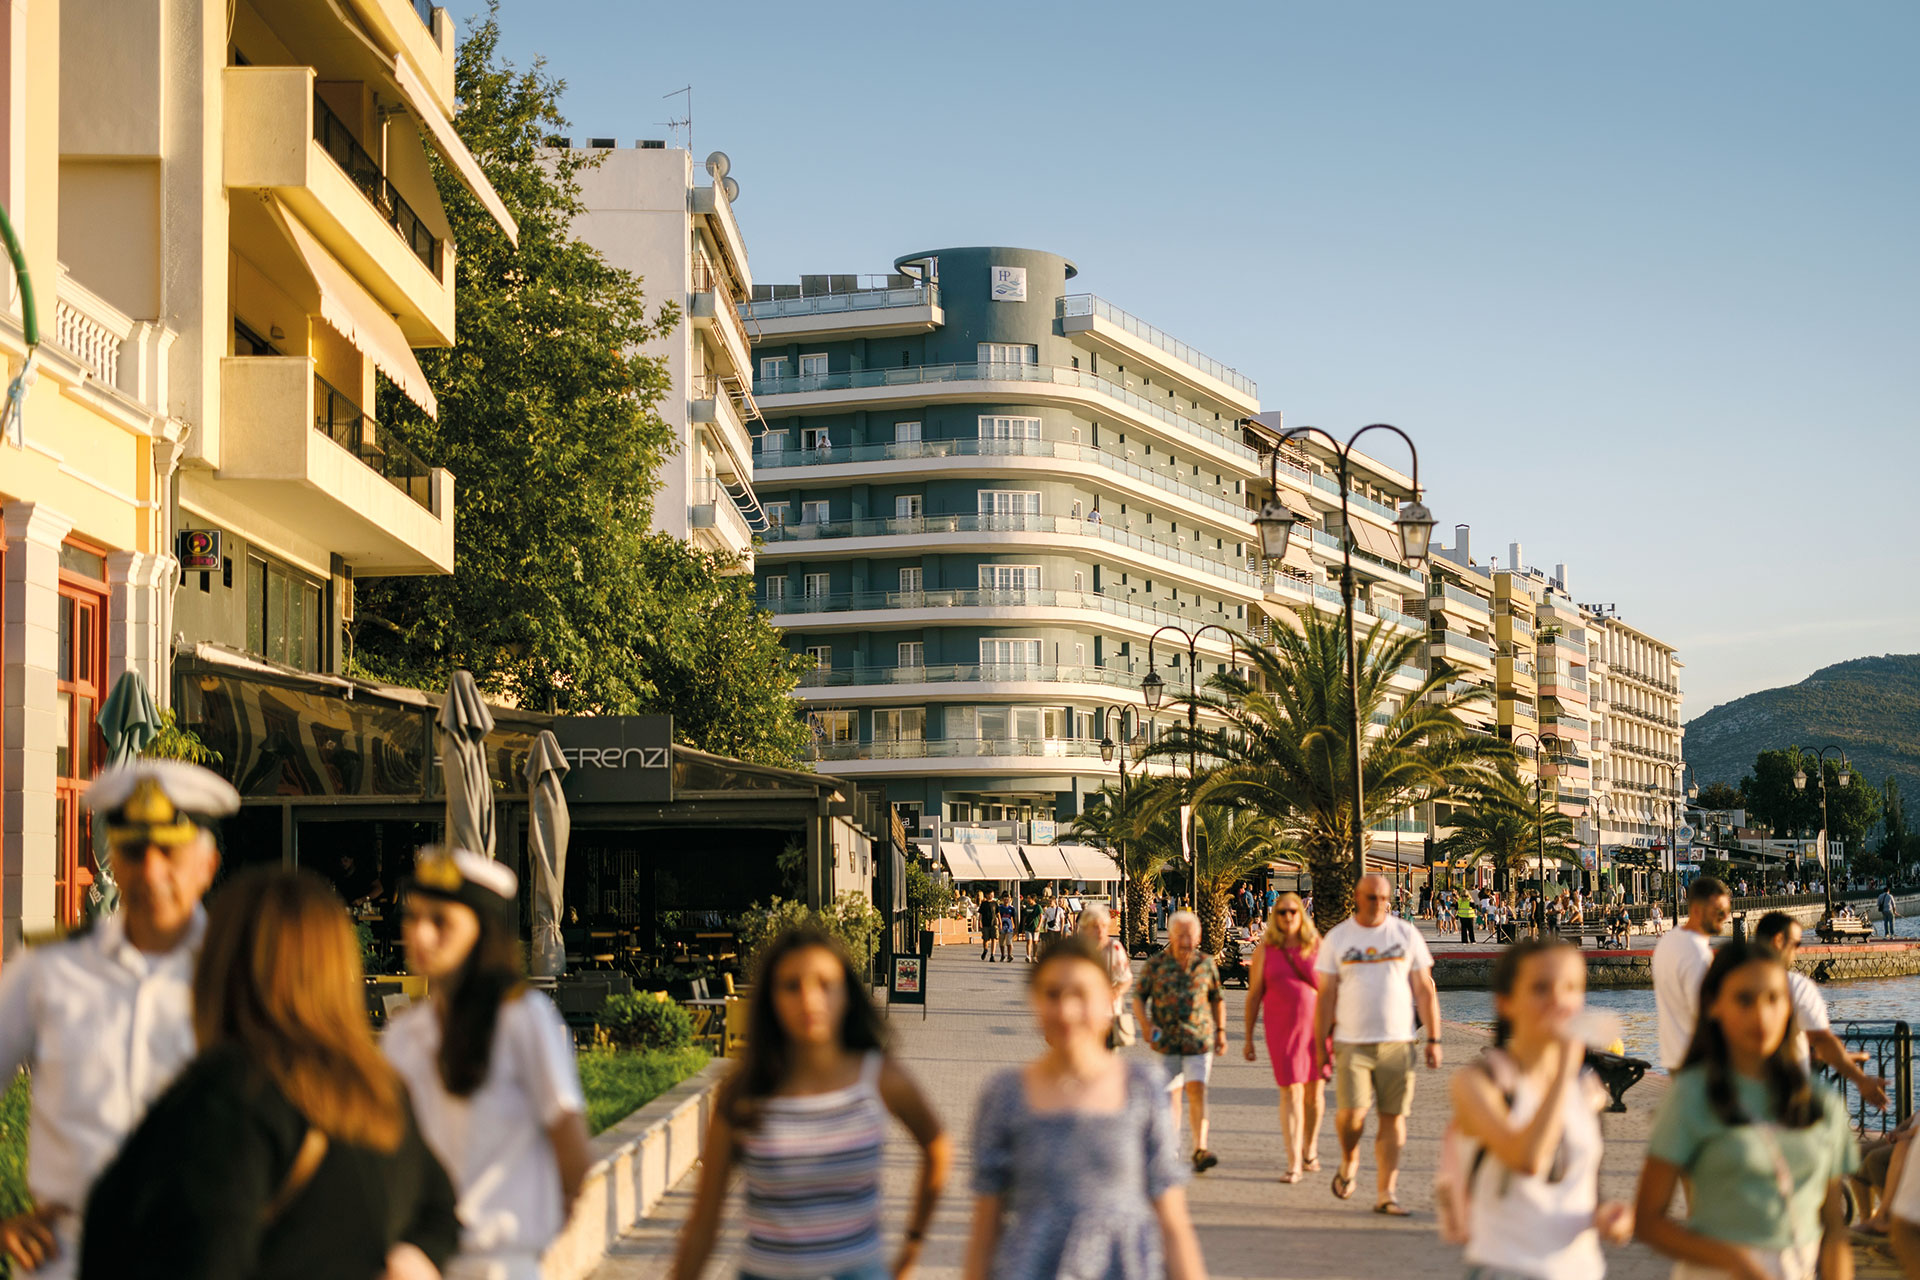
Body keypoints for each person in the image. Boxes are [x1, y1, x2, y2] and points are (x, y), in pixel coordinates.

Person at [81, 868, 460, 1279]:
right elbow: (441, 1214)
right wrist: (410, 1261)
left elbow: (201, 1257)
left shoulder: (230, 1094)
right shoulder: (379, 1091)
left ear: (224, 967)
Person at [0, 760, 237, 1279]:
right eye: (133, 850)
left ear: (207, 864)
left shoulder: (240, 977)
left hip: (202, 1260)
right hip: (67, 1260)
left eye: (169, 852)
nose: (150, 871)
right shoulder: (48, 969)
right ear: (113, 860)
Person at [672, 927, 949, 1280]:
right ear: (771, 998)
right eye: (791, 986)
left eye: (825, 984)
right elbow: (703, 1224)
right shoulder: (743, 1091)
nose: (809, 1000)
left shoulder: (880, 1078)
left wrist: (912, 1246)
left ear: (847, 993)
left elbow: (938, 1147)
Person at [384, 848, 592, 1280]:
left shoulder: (523, 1019)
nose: (420, 934)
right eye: (413, 918)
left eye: (440, 921)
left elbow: (571, 1148)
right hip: (420, 1263)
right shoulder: (402, 1035)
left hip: (500, 1262)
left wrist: (536, 1233)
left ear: (482, 930)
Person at [965, 934, 1207, 1280]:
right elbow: (984, 1231)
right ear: (1034, 1001)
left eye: (1081, 993)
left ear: (1107, 1000)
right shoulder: (1004, 1097)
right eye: (1052, 994)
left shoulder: (1142, 1089)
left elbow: (1173, 1223)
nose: (1066, 1010)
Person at [1634, 939, 1859, 1280]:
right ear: (1714, 1005)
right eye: (1744, 1000)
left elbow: (1833, 1228)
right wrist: (1732, 1260)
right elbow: (1648, 1220)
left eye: (1774, 998)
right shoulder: (1692, 1097)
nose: (1761, 1015)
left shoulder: (1820, 1101)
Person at [1449, 938, 1634, 1279]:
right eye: (1541, 989)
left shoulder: (1587, 1089)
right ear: (1506, 1002)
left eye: (1571, 988)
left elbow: (1577, 1190)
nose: (1559, 1001)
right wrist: (1565, 1067)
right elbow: (1528, 1159)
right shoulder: (1479, 1082)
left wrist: (1608, 1216)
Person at [1314, 874, 1441, 1216]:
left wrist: (1434, 1038)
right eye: (1371, 897)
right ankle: (1349, 1159)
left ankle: (1387, 1193)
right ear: (1358, 898)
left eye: (1384, 898)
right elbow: (1326, 995)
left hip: (1398, 1042)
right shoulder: (1338, 938)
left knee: (1393, 1117)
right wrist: (1320, 1043)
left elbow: (1424, 988)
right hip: (1351, 1042)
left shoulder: (1405, 934)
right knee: (1351, 1116)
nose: (1378, 904)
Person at [1749, 912, 1889, 1110]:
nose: (1796, 952)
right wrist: (1860, 1079)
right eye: (1796, 944)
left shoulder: (1730, 982)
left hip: (1733, 1101)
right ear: (1778, 941)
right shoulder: (1795, 987)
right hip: (1786, 1099)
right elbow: (1822, 1040)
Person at [1242, 894, 1327, 1183]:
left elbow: (1331, 989)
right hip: (1282, 1031)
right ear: (1274, 916)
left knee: (1314, 1094)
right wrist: (1248, 1037)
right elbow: (1254, 995)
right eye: (1282, 912)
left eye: (1293, 912)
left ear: (1301, 915)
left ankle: (1310, 1148)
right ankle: (1294, 1163)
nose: (1288, 917)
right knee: (1291, 1092)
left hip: (1317, 1029)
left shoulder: (1315, 945)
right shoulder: (1265, 950)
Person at [1133, 911, 1226, 1173]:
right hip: (1167, 1041)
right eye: (1180, 935)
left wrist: (1221, 1031)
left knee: (1197, 1090)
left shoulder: (1206, 963)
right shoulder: (1156, 964)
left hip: (1199, 1040)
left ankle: (1200, 1148)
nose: (1185, 940)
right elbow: (1139, 997)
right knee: (1170, 1093)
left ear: (1198, 937)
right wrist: (1146, 1025)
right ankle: (1170, 1149)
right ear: (1171, 936)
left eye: (1190, 935)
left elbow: (1217, 998)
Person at [1651, 877, 1731, 1072]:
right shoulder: (1697, 954)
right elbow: (1704, 1012)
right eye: (1719, 911)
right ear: (1696, 910)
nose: (1725, 916)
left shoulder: (1668, 940)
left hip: (1673, 1056)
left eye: (1727, 910)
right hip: (1698, 1060)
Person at [1077, 903, 1134, 1047]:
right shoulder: (1078, 950)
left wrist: (1115, 992)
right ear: (1085, 928)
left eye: (1104, 926)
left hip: (1107, 1017)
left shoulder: (1114, 948)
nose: (1100, 930)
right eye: (1095, 926)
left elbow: (1126, 978)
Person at [980, 889, 999, 962]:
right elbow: (980, 914)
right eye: (990, 894)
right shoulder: (983, 904)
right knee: (985, 939)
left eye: (993, 894)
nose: (992, 896)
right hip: (985, 923)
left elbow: (998, 913)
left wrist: (1000, 922)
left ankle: (992, 955)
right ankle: (985, 950)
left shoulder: (995, 903)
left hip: (993, 923)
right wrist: (980, 922)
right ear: (987, 895)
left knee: (994, 938)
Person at [997, 893, 1016, 962]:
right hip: (1001, 926)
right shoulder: (999, 908)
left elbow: (1014, 918)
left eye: (1008, 898)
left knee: (1009, 942)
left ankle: (1009, 955)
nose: (1006, 900)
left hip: (1009, 927)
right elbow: (997, 916)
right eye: (1005, 898)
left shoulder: (1012, 909)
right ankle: (1002, 955)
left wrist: (1015, 927)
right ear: (1002, 899)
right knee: (1002, 942)